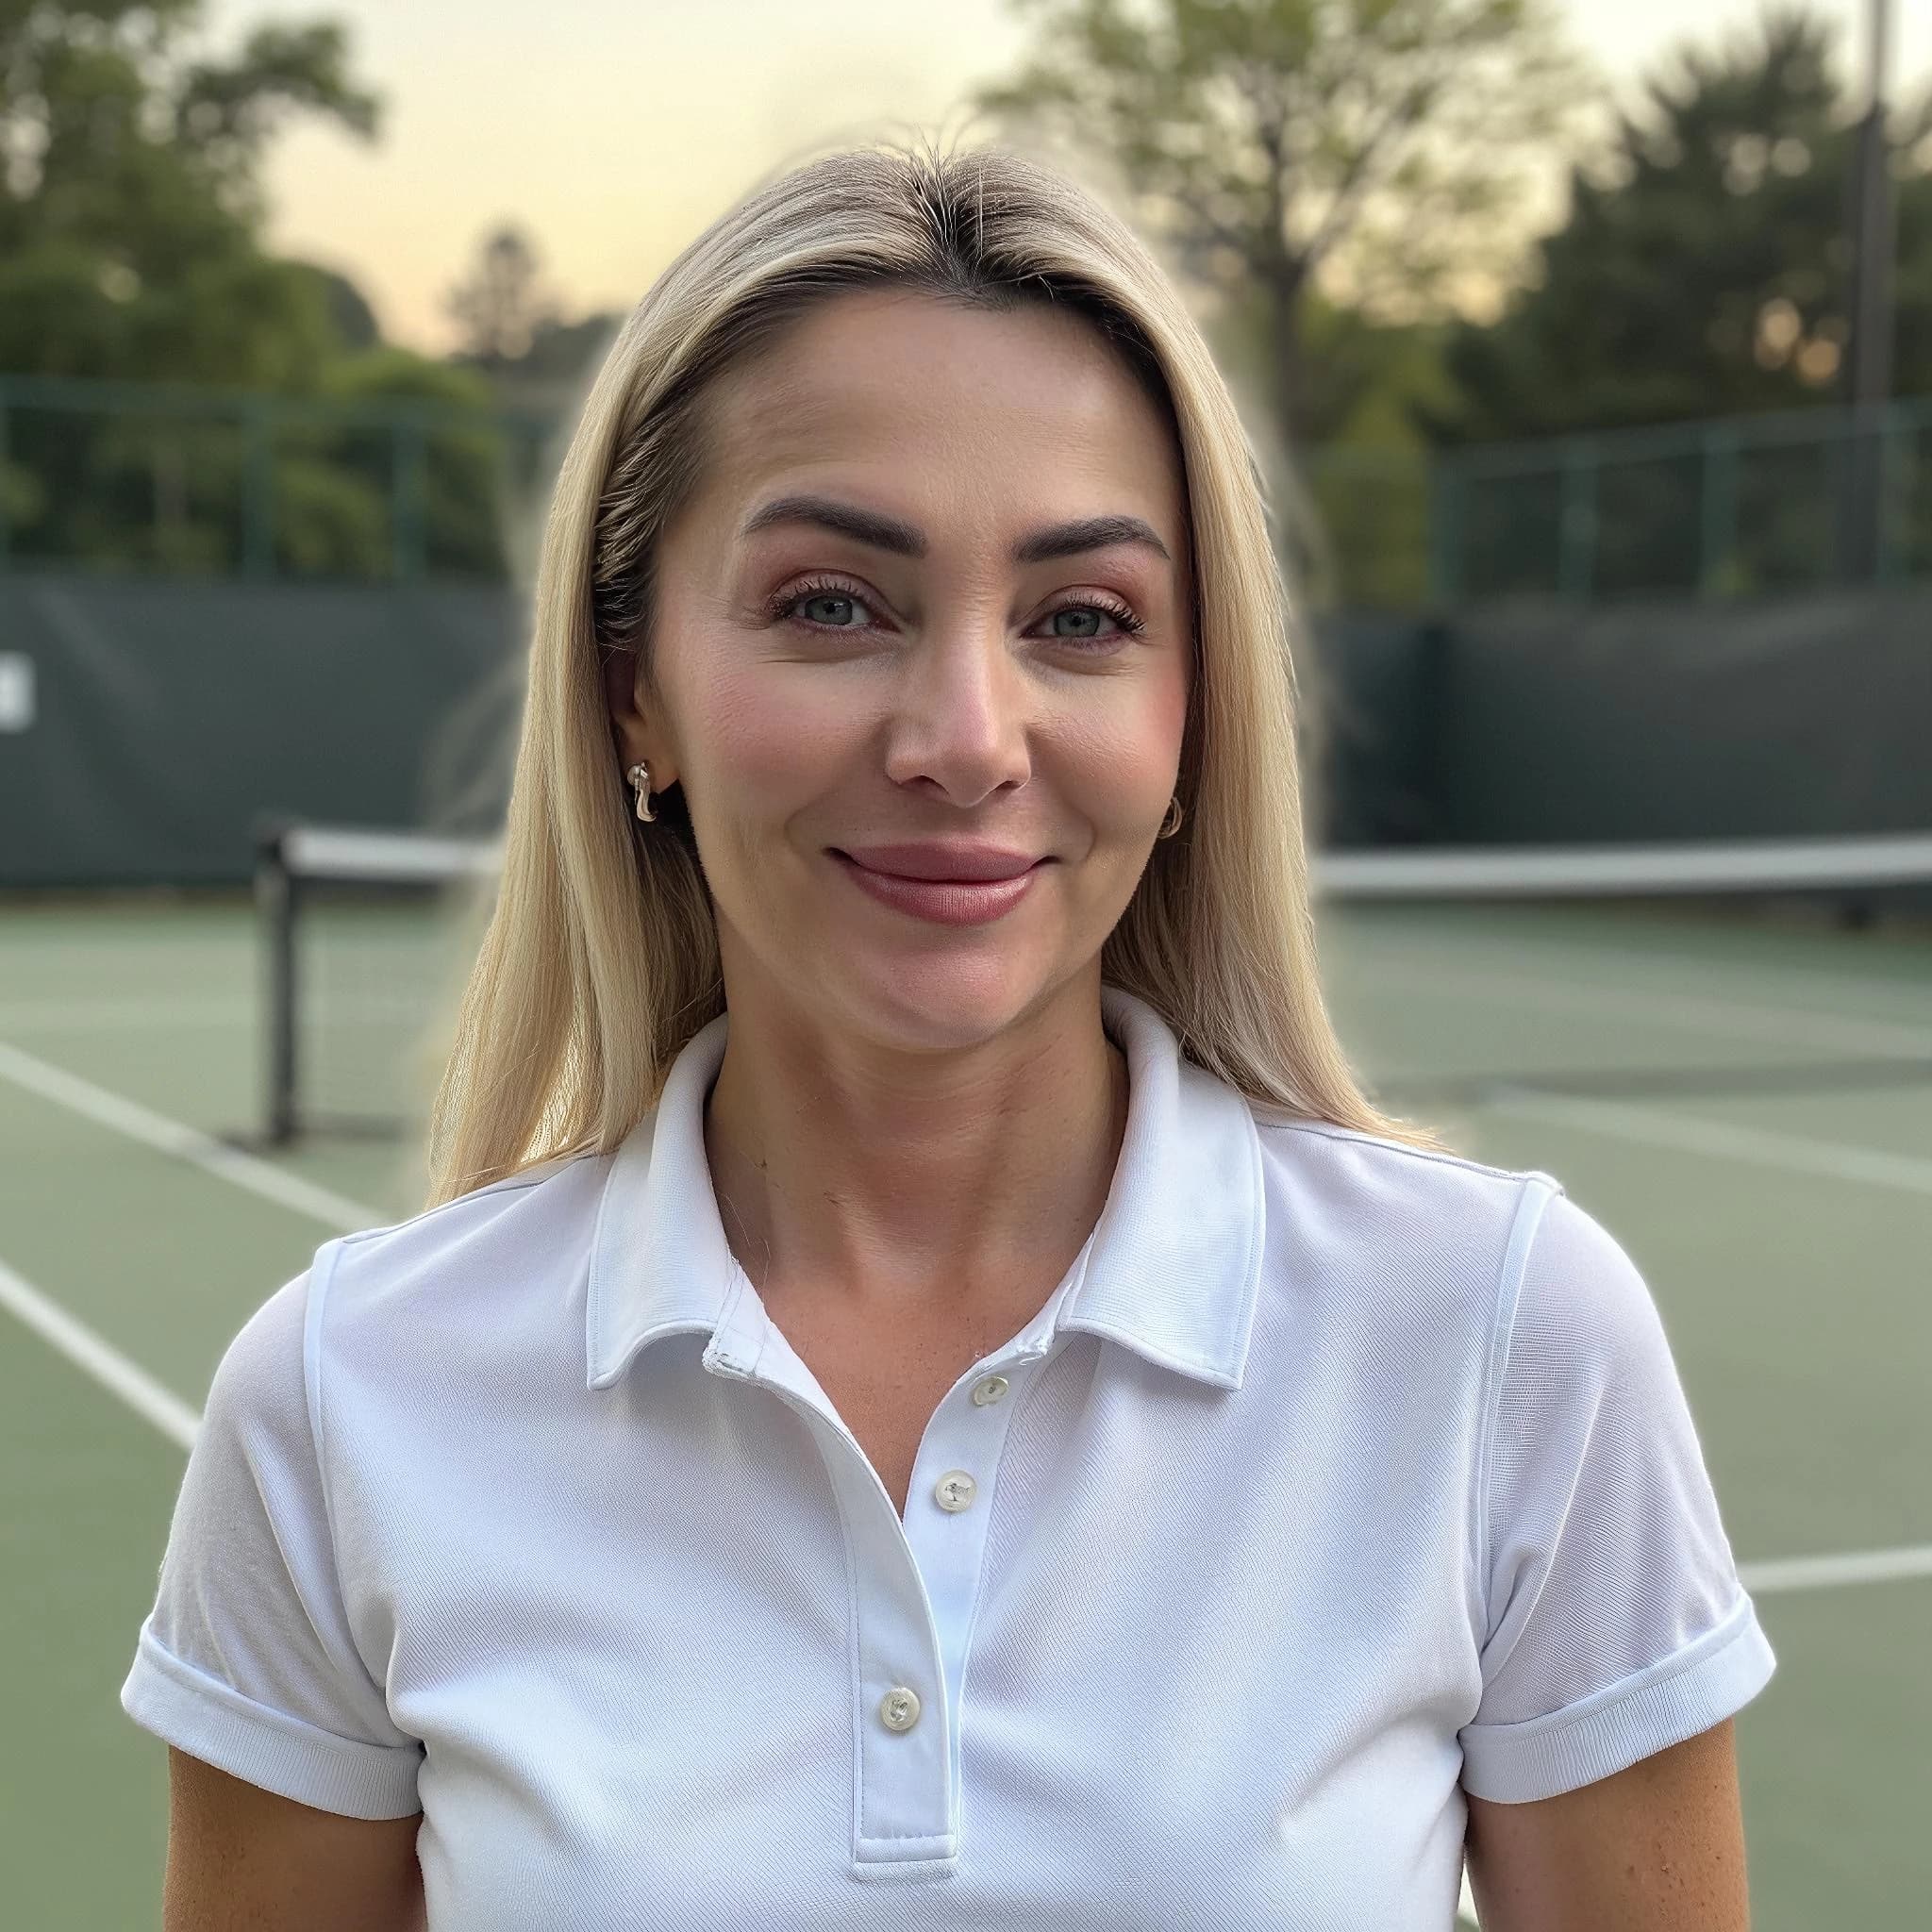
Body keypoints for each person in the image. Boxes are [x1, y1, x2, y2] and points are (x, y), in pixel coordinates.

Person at [120, 140, 1774, 1929]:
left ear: (1190, 710)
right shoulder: (342, 1399)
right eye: (834, 602)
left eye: (1083, 618)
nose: (967, 736)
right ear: (633, 694)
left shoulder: (1510, 1338)